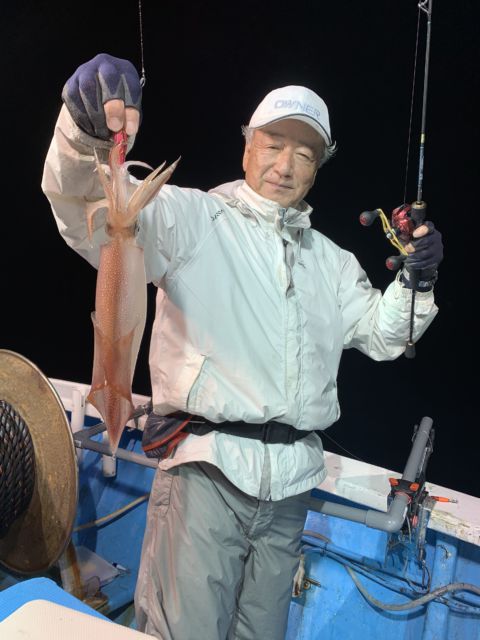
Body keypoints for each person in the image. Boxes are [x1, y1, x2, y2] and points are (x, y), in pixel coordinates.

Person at [42, 53, 442, 640]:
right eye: (273, 144)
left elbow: (386, 335)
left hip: (290, 489)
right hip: (206, 474)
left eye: (304, 154)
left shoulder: (332, 262)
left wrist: (417, 280)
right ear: (247, 147)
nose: (285, 164)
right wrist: (84, 136)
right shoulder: (194, 218)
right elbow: (90, 212)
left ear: (318, 168)